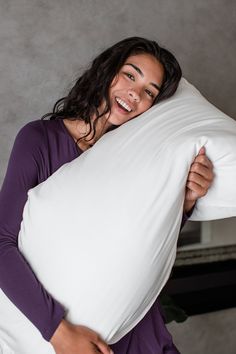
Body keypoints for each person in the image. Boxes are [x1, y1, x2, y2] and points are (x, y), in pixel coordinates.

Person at [0, 37, 213, 354]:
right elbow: (2, 240)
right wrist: (59, 332)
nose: (135, 94)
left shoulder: (138, 158)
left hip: (137, 332)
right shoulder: (40, 140)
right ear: (107, 69)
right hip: (60, 336)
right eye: (130, 75)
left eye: (149, 92)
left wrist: (183, 205)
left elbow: (136, 243)